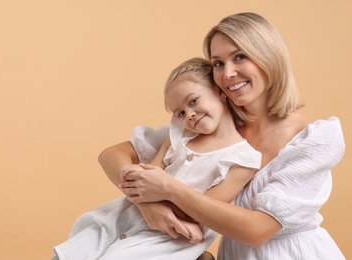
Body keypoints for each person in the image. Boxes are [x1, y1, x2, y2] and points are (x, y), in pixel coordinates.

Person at [102, 12, 346, 259]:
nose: (227, 74)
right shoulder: (211, 126)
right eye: (218, 63)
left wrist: (168, 189)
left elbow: (257, 230)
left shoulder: (313, 141)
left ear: (269, 57)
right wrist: (148, 206)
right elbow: (113, 155)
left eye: (240, 57)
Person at [52, 57, 262, 259]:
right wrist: (146, 189)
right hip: (122, 217)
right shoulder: (179, 135)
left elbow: (202, 210)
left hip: (167, 238)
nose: (188, 114)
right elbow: (144, 176)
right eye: (179, 113)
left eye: (193, 101)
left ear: (220, 92)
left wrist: (158, 187)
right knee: (73, 251)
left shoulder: (242, 159)